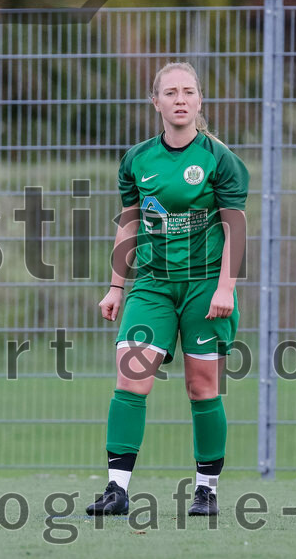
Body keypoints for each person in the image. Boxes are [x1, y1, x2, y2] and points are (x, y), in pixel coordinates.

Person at [86, 62, 249, 517]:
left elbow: (234, 227)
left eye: (189, 91)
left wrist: (225, 288)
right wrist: (116, 286)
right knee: (130, 374)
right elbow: (130, 222)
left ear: (200, 102)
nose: (180, 99)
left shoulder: (220, 159)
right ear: (155, 101)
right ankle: (117, 490)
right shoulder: (137, 159)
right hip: (153, 285)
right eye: (171, 92)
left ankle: (207, 490)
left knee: (203, 387)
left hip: (204, 286)